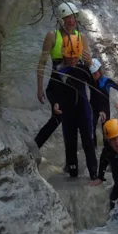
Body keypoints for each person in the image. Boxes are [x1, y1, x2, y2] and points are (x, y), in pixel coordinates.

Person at [35, 1, 92, 150]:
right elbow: (42, 63)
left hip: (77, 86)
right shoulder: (52, 36)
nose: (71, 21)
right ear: (61, 19)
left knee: (74, 122)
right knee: (57, 118)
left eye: (73, 17)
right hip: (58, 85)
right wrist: (40, 88)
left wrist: (89, 61)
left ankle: (70, 162)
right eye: (67, 17)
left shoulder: (82, 38)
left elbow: (87, 66)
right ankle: (35, 147)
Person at [47, 38, 98, 179]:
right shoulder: (58, 70)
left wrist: (90, 64)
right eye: (70, 56)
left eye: (76, 56)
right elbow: (51, 90)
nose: (73, 59)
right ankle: (73, 174)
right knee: (70, 145)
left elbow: (95, 85)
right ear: (64, 54)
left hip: (83, 111)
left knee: (88, 142)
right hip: (67, 114)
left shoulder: (83, 68)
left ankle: (94, 175)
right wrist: (55, 103)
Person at [89, 58, 118, 146]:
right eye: (93, 74)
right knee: (92, 127)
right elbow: (94, 97)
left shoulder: (105, 81)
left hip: (105, 108)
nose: (95, 75)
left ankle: (107, 147)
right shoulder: (91, 81)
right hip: (94, 107)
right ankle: (94, 147)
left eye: (96, 73)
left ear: (99, 71)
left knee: (105, 128)